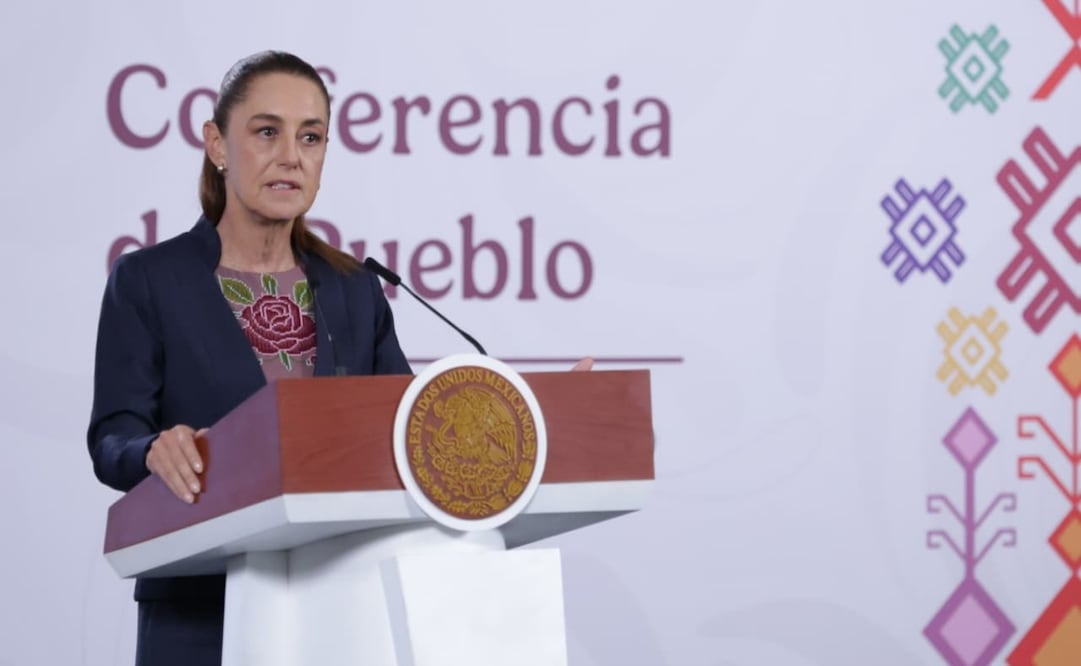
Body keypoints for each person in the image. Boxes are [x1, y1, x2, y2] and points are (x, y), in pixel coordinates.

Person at [87, 51, 412, 666]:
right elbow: (112, 436)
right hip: (199, 611)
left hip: (339, 607)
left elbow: (403, 427)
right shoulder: (149, 280)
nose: (291, 155)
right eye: (267, 132)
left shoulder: (354, 289)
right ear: (216, 144)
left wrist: (499, 420)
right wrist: (153, 448)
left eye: (311, 137)